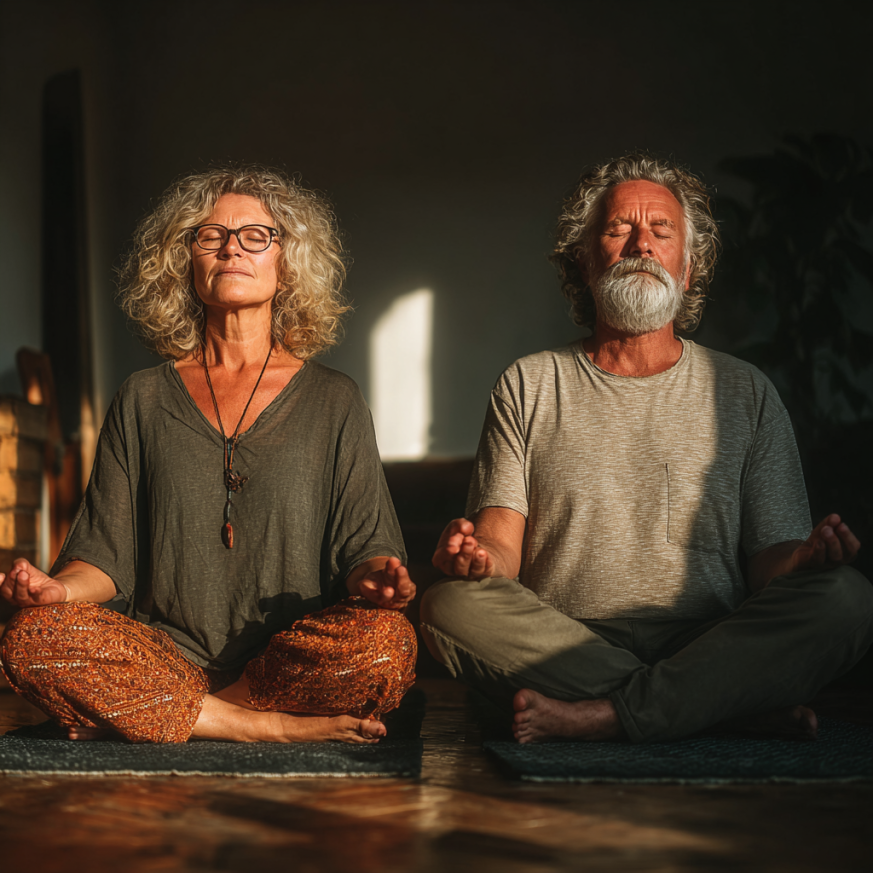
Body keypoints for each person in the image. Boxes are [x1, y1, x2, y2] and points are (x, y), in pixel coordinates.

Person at [423, 154, 873, 744]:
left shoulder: (745, 390)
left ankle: (608, 716)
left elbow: (771, 563)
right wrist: (476, 560)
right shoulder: (529, 383)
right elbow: (501, 543)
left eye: (661, 232)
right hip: (564, 641)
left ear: (687, 271)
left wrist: (803, 561)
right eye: (618, 230)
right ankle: (720, 708)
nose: (641, 244)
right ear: (585, 263)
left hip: (711, 640)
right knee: (448, 606)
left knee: (846, 597)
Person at [0, 166, 416, 745]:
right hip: (158, 656)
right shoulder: (142, 397)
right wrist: (56, 592)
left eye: (255, 236)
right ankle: (255, 727)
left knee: (385, 645)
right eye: (209, 236)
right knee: (30, 637)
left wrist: (381, 582)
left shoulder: (333, 397)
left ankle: (167, 716)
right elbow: (102, 558)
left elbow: (366, 548)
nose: (231, 249)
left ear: (286, 262)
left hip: (280, 664)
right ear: (184, 262)